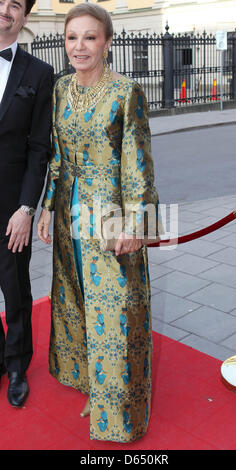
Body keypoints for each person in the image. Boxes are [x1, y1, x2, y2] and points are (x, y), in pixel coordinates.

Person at [37, 2, 159, 443]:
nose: (79, 46)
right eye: (72, 38)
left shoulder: (126, 92)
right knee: (76, 299)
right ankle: (91, 383)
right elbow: (55, 154)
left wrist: (135, 225)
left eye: (90, 37)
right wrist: (48, 204)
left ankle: (119, 411)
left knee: (115, 310)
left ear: (107, 42)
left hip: (109, 217)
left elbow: (138, 165)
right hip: (70, 213)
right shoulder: (59, 88)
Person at [0, 0, 53, 407]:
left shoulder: (40, 73)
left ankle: (17, 364)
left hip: (11, 206)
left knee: (15, 287)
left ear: (24, 16)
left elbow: (39, 149)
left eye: (14, 4)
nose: (4, 10)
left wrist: (26, 208)